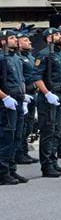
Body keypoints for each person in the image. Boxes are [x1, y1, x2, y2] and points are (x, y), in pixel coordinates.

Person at [33, 28, 61, 177]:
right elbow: (37, 77)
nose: (60, 36)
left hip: (59, 95)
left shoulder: (60, 54)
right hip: (48, 97)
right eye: (56, 35)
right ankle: (47, 165)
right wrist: (47, 93)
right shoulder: (43, 54)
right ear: (49, 38)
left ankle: (54, 163)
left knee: (57, 131)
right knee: (48, 132)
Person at [0, 30, 29, 184]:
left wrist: (23, 98)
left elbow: (20, 80)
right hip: (5, 103)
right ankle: (2, 172)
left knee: (16, 136)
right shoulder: (1, 58)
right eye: (11, 38)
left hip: (17, 101)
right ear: (3, 41)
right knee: (6, 137)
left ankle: (12, 169)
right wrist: (5, 98)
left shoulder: (16, 58)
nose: (15, 40)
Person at [15, 31, 39, 165]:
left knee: (29, 125)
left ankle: (24, 152)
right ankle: (19, 153)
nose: (29, 42)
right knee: (22, 127)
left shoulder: (30, 56)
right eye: (25, 40)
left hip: (32, 94)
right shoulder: (17, 57)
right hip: (23, 94)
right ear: (18, 43)